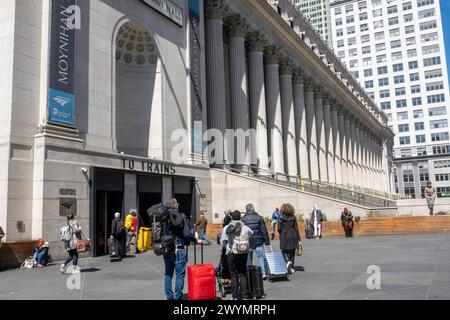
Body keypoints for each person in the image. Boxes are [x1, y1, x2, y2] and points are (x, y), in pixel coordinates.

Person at [161, 198, 203, 300]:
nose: (178, 205)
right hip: (178, 249)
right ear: (175, 206)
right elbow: (187, 234)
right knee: (179, 275)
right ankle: (178, 297)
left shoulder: (163, 217)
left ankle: (170, 297)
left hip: (166, 249)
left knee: (168, 274)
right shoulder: (180, 216)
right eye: (177, 204)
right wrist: (196, 240)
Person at [220, 210, 253, 300]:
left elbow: (223, 242)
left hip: (232, 252)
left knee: (233, 274)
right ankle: (245, 296)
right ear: (240, 217)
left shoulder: (227, 227)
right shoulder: (245, 227)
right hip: (244, 252)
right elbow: (251, 233)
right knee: (242, 273)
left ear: (232, 217)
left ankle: (235, 296)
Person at [242, 203, 270, 280]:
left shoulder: (243, 219)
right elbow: (263, 230)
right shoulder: (259, 217)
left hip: (248, 241)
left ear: (246, 210)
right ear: (253, 209)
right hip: (258, 241)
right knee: (260, 257)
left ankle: (249, 274)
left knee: (249, 257)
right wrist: (267, 240)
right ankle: (263, 273)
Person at [278, 203, 301, 274]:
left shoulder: (281, 218)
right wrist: (299, 239)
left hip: (284, 235)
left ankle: (288, 262)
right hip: (293, 234)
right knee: (292, 252)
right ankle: (292, 268)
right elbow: (296, 228)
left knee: (284, 251)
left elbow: (279, 229)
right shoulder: (293, 217)